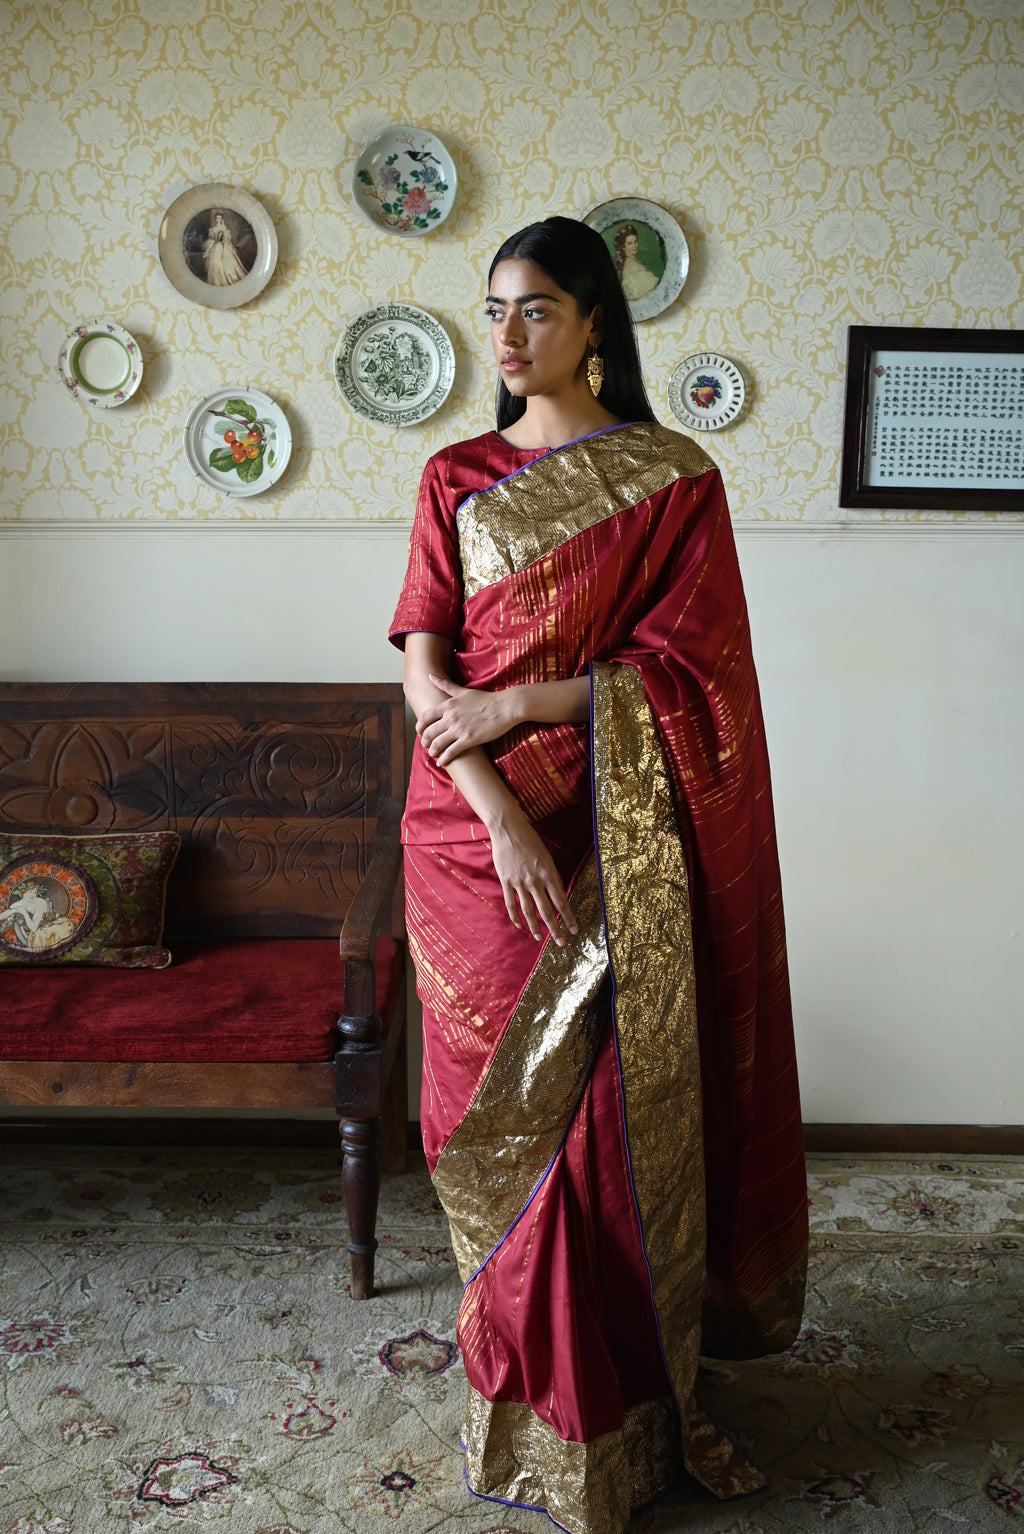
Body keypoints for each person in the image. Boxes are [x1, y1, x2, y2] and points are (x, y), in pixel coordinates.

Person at [389, 216, 807, 1534]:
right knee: (491, 1126)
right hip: (469, 838)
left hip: (622, 831)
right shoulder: (454, 473)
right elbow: (422, 672)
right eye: (494, 308)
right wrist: (502, 811)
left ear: (593, 326)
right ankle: (517, 1391)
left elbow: (701, 680)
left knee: (601, 1121)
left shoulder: (673, 477)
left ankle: (611, 1407)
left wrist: (533, 707)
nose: (505, 336)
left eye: (536, 311)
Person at [613, 221, 659, 301]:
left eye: (636, 241)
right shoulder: (633, 266)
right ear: (623, 247)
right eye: (630, 243)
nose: (635, 246)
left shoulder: (628, 262)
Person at [202, 211, 247, 286]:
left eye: (219, 218)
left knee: (227, 262)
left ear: (222, 219)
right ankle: (216, 280)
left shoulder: (224, 228)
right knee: (215, 262)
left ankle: (225, 279)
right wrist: (214, 238)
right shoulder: (214, 229)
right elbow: (212, 238)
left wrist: (223, 238)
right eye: (217, 218)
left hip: (223, 246)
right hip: (215, 246)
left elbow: (227, 239)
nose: (218, 220)